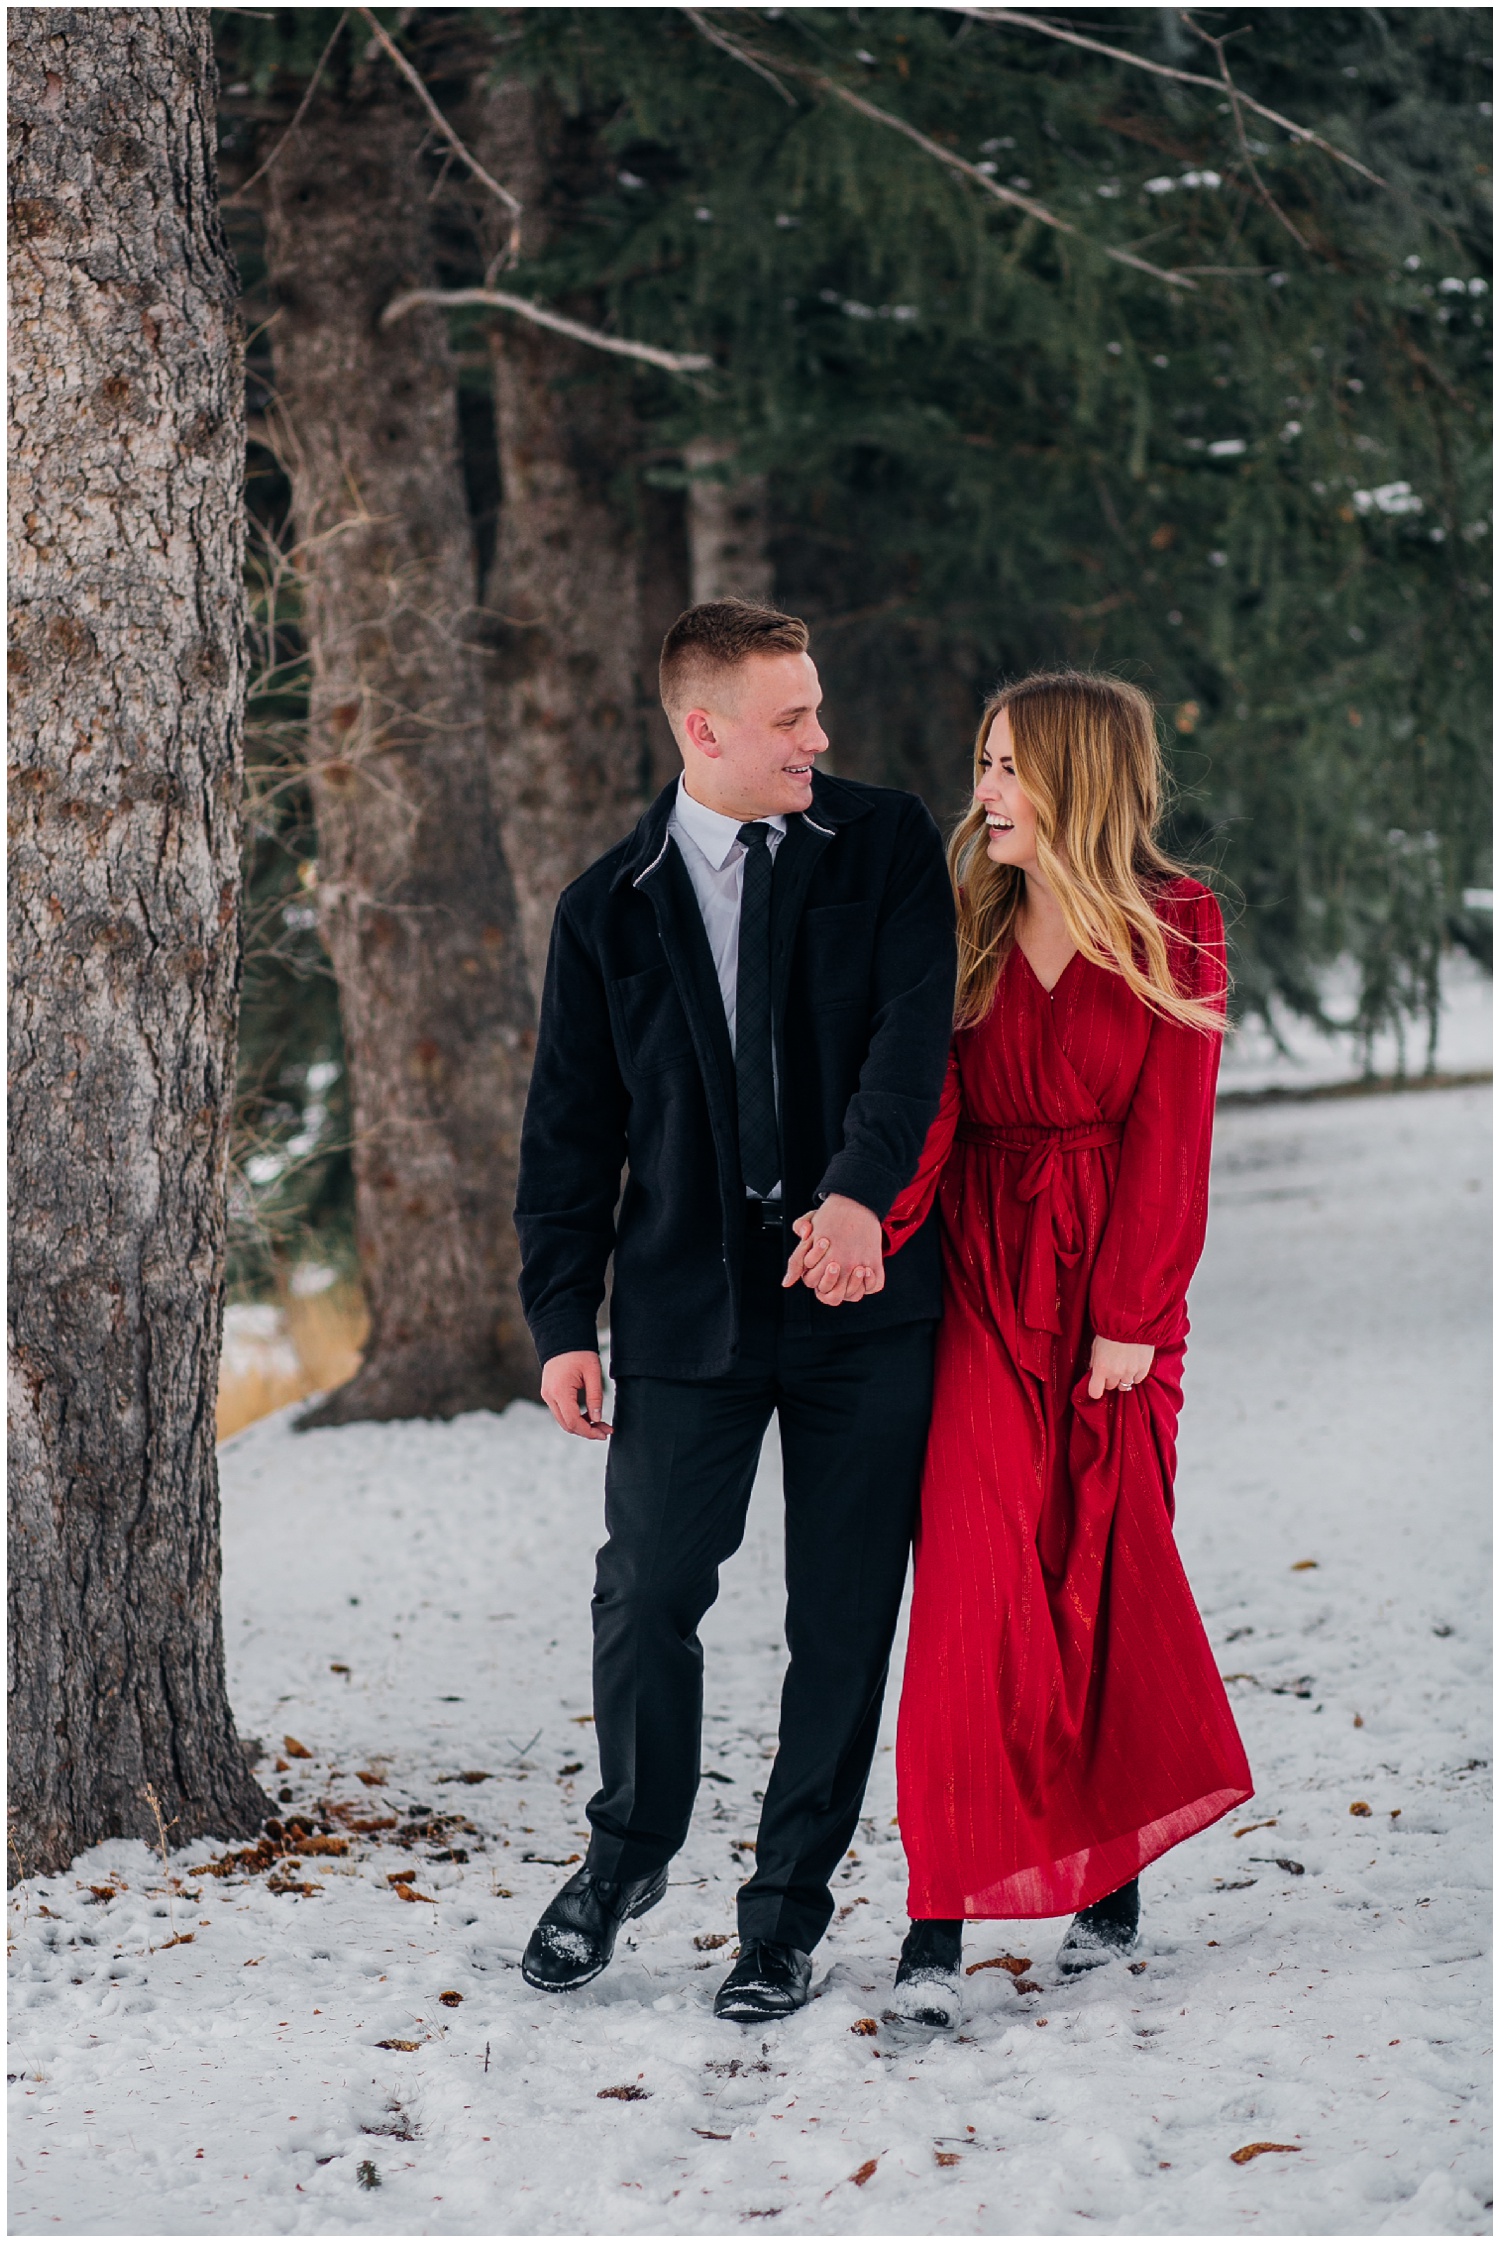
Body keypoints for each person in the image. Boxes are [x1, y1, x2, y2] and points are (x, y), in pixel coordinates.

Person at [787, 670, 1253, 2034]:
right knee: (977, 1589)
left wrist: (1132, 1315)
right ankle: (940, 1916)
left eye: (1006, 766)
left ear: (1075, 777)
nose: (983, 790)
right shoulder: (962, 916)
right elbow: (924, 1101)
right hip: (982, 1279)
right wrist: (866, 1223)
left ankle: (1108, 1885)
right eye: (982, 763)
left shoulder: (1179, 923)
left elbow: (1176, 1133)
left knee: (1104, 1574)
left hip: (1115, 1292)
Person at [512, 599, 956, 2023]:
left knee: (840, 1616)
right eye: (791, 719)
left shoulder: (883, 845)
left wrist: (857, 1197)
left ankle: (786, 1913)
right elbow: (569, 1136)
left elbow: (911, 1041)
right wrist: (561, 1322)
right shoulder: (606, 908)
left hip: (862, 1302)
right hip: (687, 1311)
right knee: (647, 1588)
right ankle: (626, 1853)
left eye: (818, 712)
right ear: (705, 730)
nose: (820, 740)